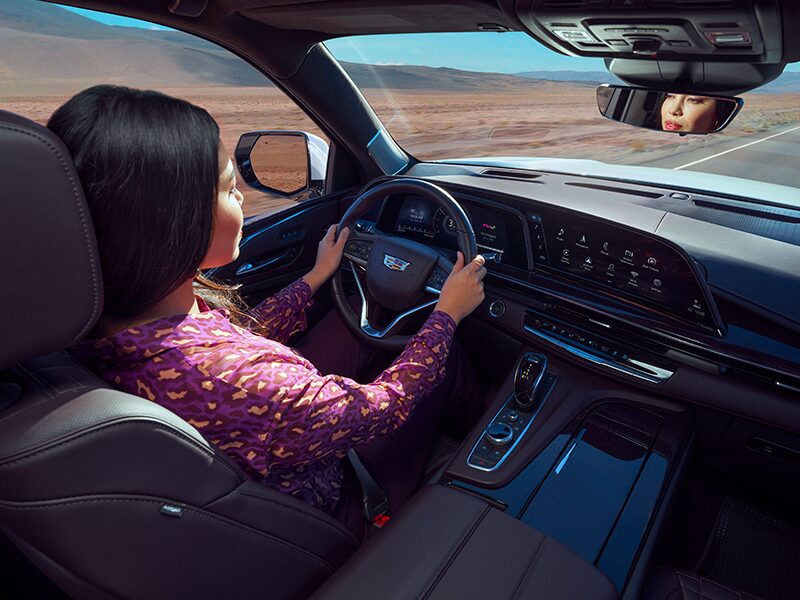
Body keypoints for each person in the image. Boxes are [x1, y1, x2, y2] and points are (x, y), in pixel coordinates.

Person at [51, 85, 487, 537]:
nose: (241, 198)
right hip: (341, 503)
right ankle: (476, 452)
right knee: (446, 360)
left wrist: (315, 277)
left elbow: (240, 334)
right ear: (172, 221)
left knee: (350, 326)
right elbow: (381, 408)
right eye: (228, 188)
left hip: (266, 460)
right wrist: (446, 315)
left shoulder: (106, 320)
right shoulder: (236, 380)